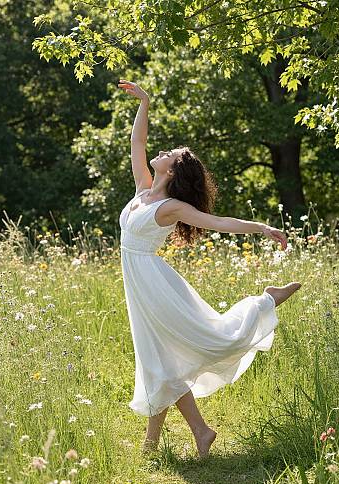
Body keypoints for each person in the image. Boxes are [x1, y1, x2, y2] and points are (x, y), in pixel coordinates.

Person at [117, 79, 301, 458]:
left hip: (153, 285)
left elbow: (218, 222)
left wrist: (261, 228)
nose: (160, 151)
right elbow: (137, 143)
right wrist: (144, 103)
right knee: (159, 358)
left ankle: (265, 302)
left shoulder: (168, 208)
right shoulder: (143, 191)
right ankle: (195, 433)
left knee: (170, 353)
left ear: (173, 170)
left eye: (169, 153)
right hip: (140, 284)